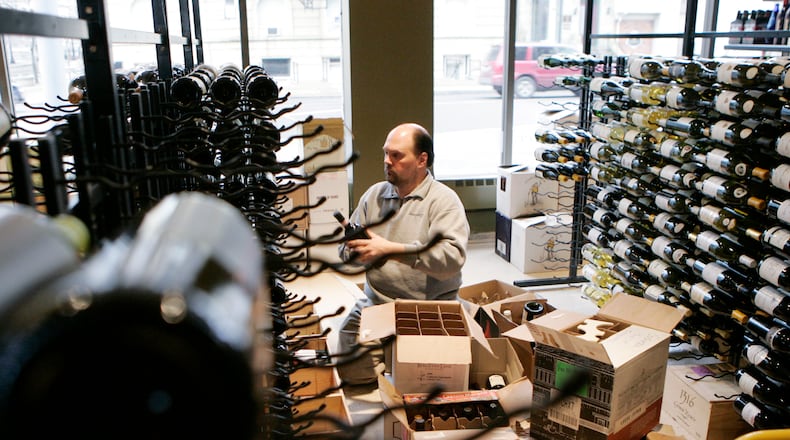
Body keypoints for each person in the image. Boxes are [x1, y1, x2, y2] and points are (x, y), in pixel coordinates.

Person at [336, 122, 470, 386]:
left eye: (397, 155)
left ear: (422, 160)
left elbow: (451, 259)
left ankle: (396, 351)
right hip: (378, 301)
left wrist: (392, 250)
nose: (387, 161)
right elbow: (344, 255)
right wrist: (354, 251)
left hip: (431, 305)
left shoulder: (443, 200)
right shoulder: (373, 196)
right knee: (351, 369)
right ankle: (390, 350)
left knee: (433, 380)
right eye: (386, 153)